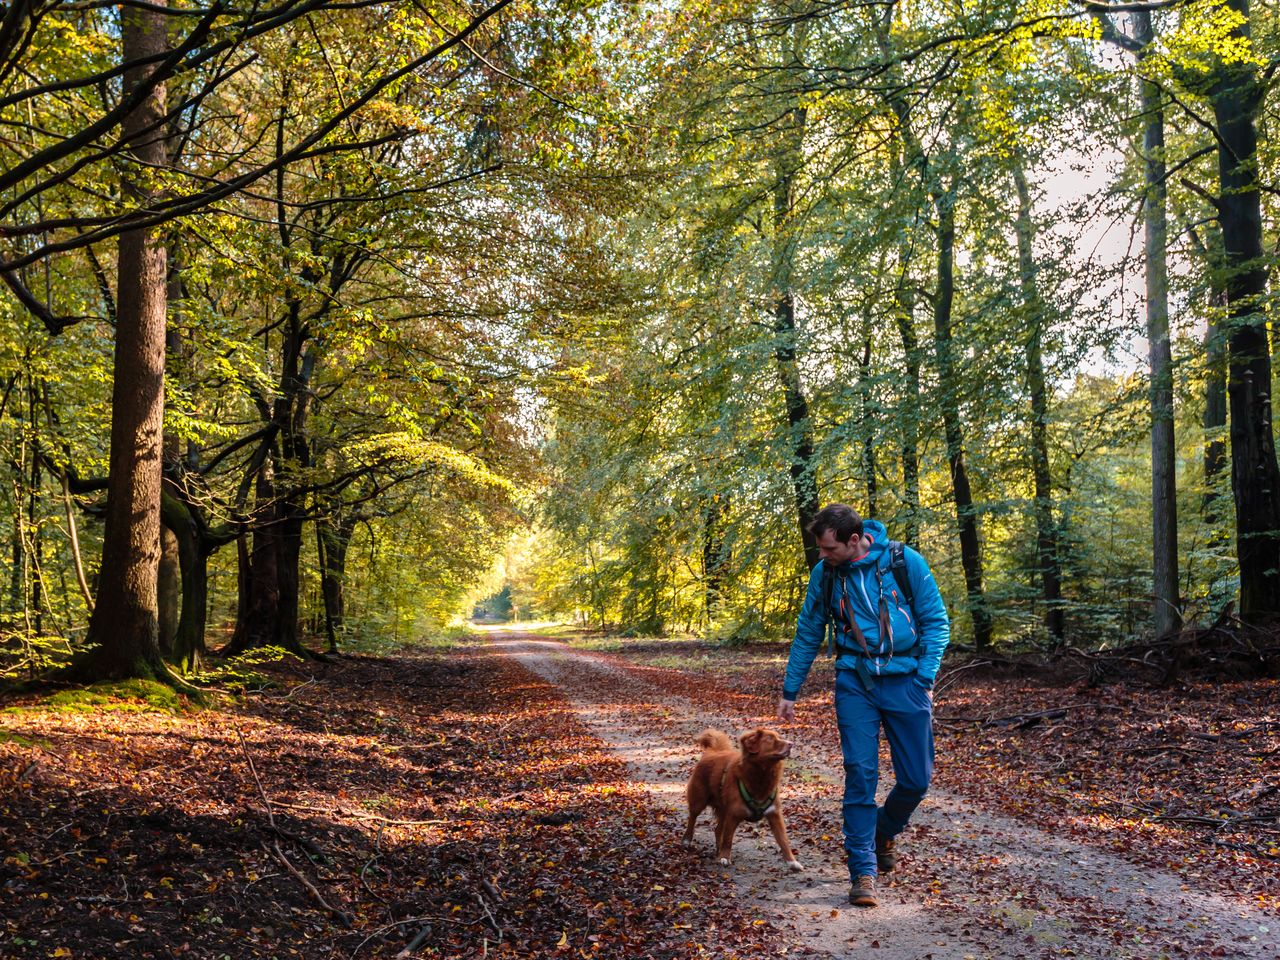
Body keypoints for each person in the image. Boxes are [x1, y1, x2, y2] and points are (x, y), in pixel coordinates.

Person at [776, 503, 950, 908]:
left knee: (916, 780)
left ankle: (882, 831)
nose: (822, 555)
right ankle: (863, 871)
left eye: (828, 548)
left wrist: (924, 679)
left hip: (907, 681)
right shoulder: (825, 575)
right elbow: (808, 633)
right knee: (860, 773)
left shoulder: (904, 563)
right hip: (855, 681)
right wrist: (790, 690)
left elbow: (936, 622)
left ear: (854, 541)